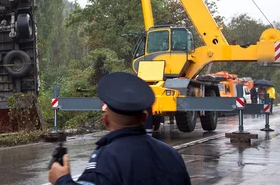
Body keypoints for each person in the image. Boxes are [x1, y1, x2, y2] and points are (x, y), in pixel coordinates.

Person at [48, 72, 191, 185]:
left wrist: (61, 179)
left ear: (105, 120)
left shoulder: (107, 159)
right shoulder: (173, 156)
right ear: (144, 117)